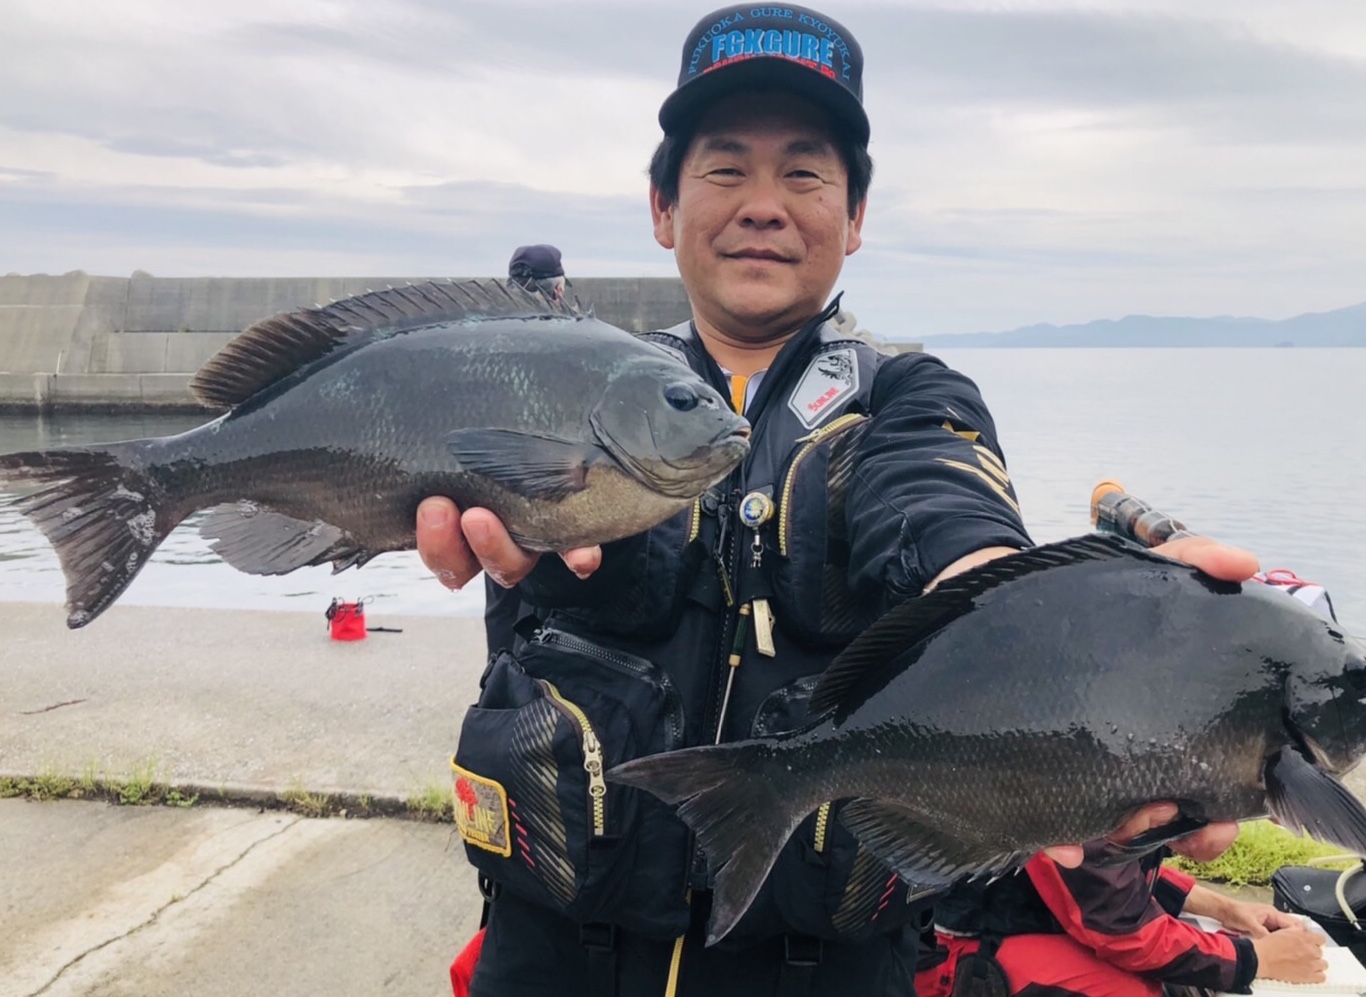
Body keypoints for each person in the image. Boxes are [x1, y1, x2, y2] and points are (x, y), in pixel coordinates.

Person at [419, 6, 1262, 995]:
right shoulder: (561, 394)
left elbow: (947, 509)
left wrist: (1041, 623)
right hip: (547, 954)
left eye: (805, 175)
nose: (763, 206)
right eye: (724, 169)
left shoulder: (912, 397)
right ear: (662, 208)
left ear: (855, 218)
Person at [917, 803, 1327, 996]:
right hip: (962, 953)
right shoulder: (1082, 791)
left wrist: (1226, 908)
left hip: (1030, 925)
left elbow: (1115, 874)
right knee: (1136, 991)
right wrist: (1255, 960)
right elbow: (1123, 932)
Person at [480, 244, 571, 662]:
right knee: (549, 606)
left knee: (501, 595)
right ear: (558, 289)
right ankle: (537, 681)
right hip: (547, 497)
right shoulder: (570, 343)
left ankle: (497, 679)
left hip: (492, 495)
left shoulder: (488, 340)